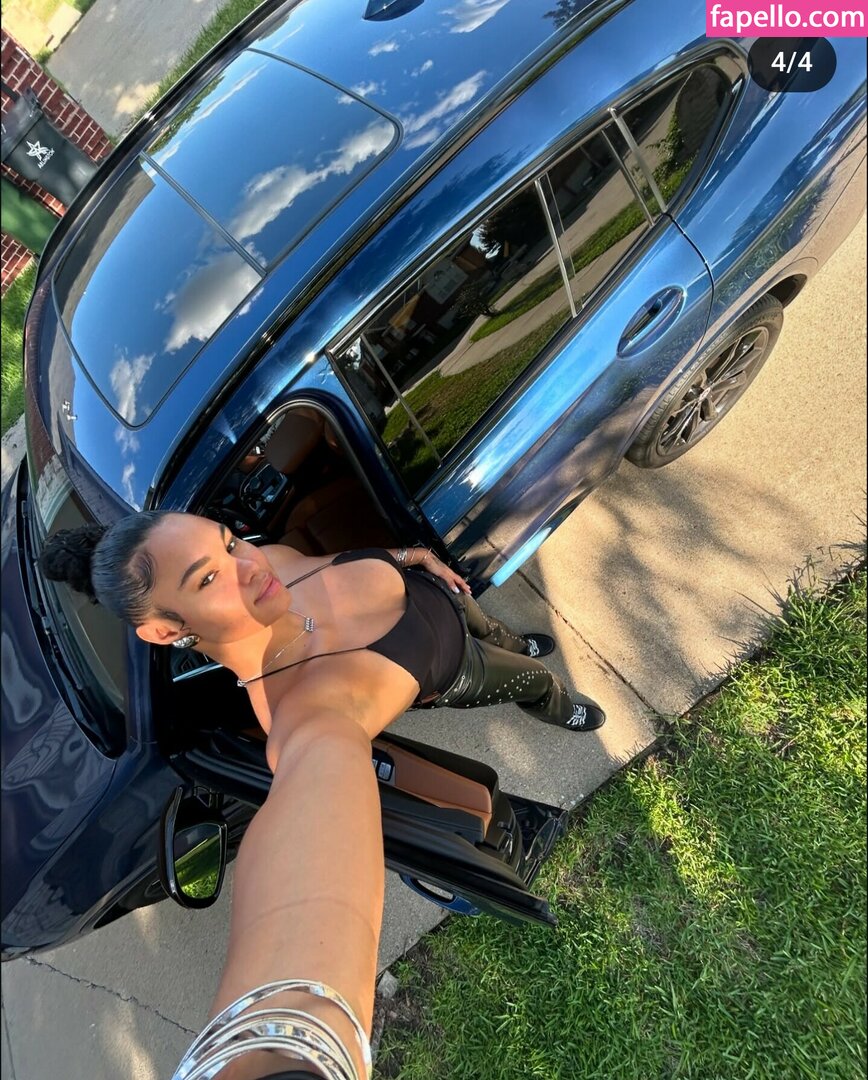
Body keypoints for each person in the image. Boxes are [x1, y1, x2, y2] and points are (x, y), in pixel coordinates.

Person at [41, 512, 605, 1079]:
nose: (247, 565)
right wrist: (285, 1050)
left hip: (441, 589)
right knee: (533, 680)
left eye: (229, 543)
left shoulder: (268, 567)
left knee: (502, 635)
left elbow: (328, 563)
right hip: (461, 669)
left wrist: (410, 558)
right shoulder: (297, 715)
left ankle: (515, 639)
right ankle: (555, 703)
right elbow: (314, 818)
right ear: (167, 631)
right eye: (208, 578)